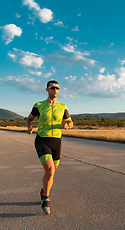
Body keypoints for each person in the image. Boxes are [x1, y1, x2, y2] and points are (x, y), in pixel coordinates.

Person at [26, 80, 73, 214]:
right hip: (42, 140)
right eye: (53, 88)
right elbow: (29, 118)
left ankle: (43, 191)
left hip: (56, 142)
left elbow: (70, 122)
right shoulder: (39, 105)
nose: (55, 90)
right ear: (47, 89)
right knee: (50, 170)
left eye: (57, 88)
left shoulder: (63, 107)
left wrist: (67, 125)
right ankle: (45, 199)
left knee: (52, 172)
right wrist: (29, 126)